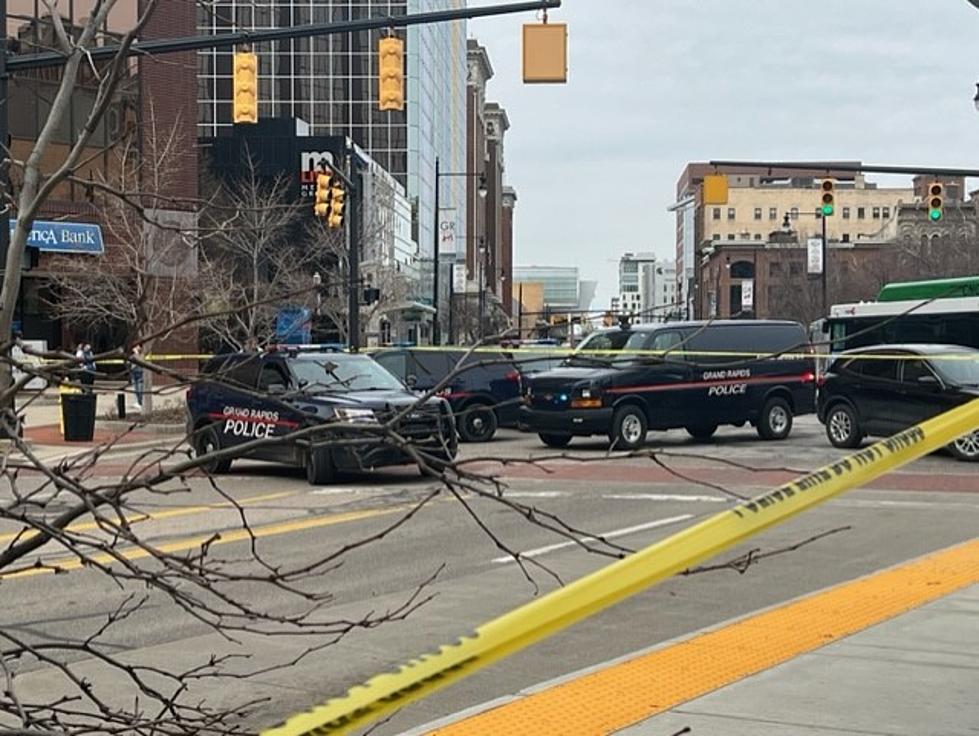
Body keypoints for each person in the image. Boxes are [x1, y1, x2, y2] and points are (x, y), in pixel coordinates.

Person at [129, 344, 145, 411]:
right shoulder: (133, 355)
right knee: (135, 389)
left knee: (139, 389)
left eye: (137, 346)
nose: (136, 348)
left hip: (140, 373)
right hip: (133, 373)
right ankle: (138, 403)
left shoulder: (141, 355)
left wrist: (136, 353)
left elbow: (141, 361)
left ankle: (140, 403)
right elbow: (129, 361)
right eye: (135, 346)